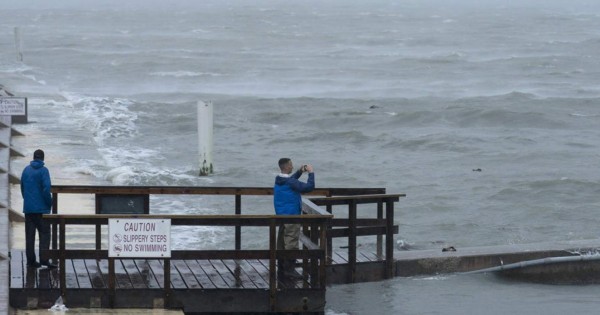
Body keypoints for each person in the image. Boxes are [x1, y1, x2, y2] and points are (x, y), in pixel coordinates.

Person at [273, 158, 315, 279]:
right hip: (292, 216)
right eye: (291, 165)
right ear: (286, 167)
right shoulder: (290, 182)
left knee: (281, 242)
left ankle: (281, 267)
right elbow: (309, 187)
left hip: (281, 215)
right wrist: (311, 173)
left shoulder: (279, 179)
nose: (292, 167)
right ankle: (289, 270)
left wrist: (300, 172)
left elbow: (291, 180)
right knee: (291, 242)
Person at [21, 149, 56, 269]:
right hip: (42, 210)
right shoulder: (44, 171)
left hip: (29, 209)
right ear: (43, 158)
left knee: (29, 236)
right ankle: (44, 260)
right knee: (45, 234)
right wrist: (49, 203)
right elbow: (46, 189)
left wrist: (28, 201)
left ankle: (31, 261)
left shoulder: (26, 170)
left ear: (34, 157)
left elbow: (22, 188)